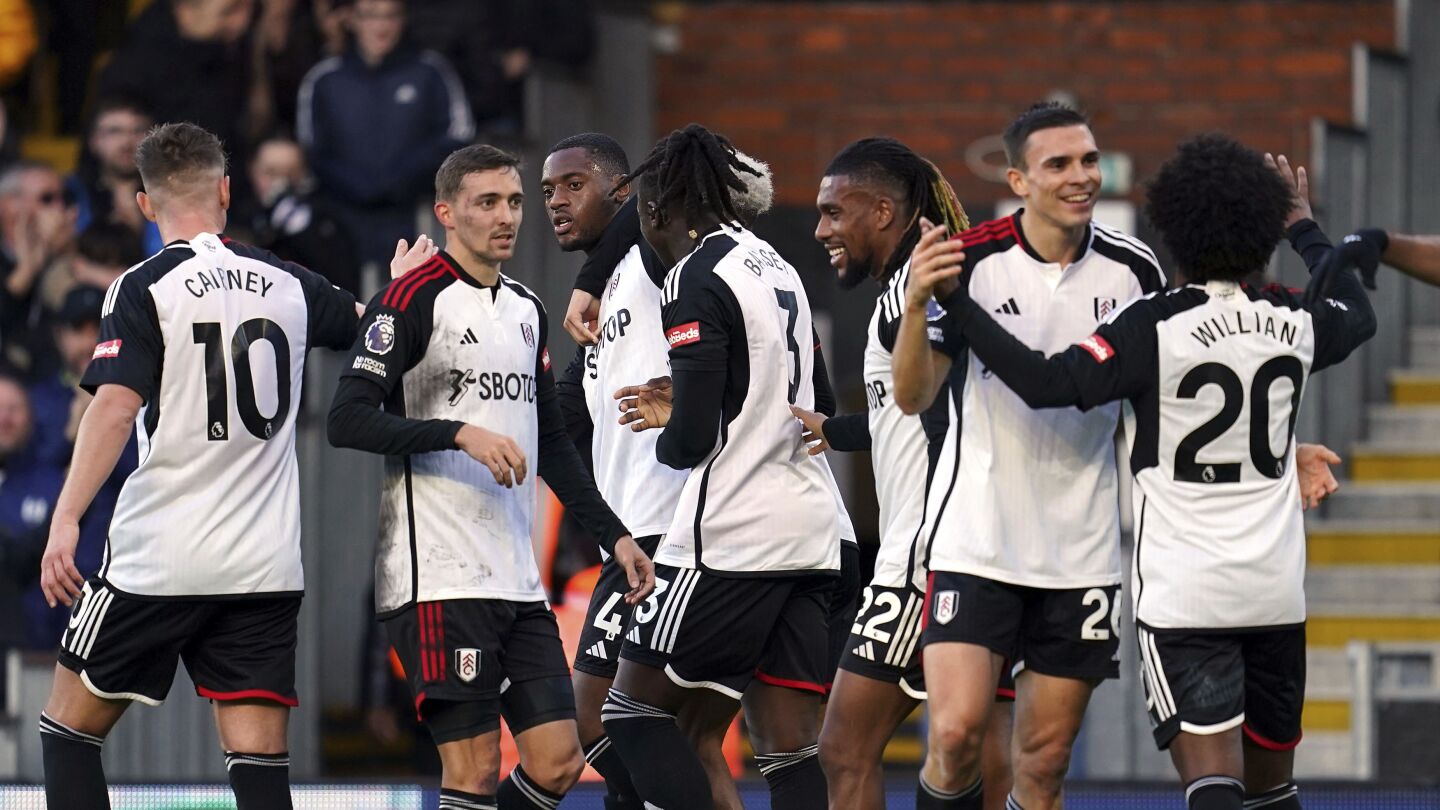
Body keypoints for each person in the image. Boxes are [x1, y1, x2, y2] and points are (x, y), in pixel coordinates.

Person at [907, 133, 1376, 810]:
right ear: (1262, 226)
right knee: (1273, 795)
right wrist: (1304, 225)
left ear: (1174, 229)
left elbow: (1045, 382)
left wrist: (960, 304)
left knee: (1213, 787)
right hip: (1276, 593)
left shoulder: (1151, 326)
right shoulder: (1291, 319)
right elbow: (1355, 313)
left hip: (1187, 598)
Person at [34, 122, 361, 810]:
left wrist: (66, 519)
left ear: (146, 206)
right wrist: (407, 288)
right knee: (259, 763)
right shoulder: (288, 281)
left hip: (162, 554)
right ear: (226, 190)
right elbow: (374, 328)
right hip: (264, 564)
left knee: (67, 730)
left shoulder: (144, 285)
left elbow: (115, 407)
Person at [327, 143, 655, 810]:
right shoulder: (410, 299)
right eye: (486, 203)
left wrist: (614, 536)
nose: (506, 216)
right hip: (437, 578)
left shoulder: (528, 308)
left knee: (560, 762)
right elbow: (345, 420)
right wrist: (458, 433)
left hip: (515, 580)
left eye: (513, 202)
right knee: (472, 770)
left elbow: (554, 444)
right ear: (447, 212)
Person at [890, 102, 1167, 810]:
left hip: (1082, 548)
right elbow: (915, 397)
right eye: (1059, 165)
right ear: (1018, 179)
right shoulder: (971, 259)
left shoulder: (1135, 270)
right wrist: (919, 305)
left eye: (1089, 161)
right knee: (953, 736)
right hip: (977, 540)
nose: (1081, 178)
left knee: (1042, 767)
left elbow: (1171, 389)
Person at [598, 123, 835, 810]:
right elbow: (792, 385)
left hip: (736, 530)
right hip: (812, 528)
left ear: (656, 210)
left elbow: (695, 438)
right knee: (788, 746)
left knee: (632, 714)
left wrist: (668, 434)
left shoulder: (692, 274)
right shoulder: (776, 263)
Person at [786, 137, 1015, 810]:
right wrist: (834, 429)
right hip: (971, 554)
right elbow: (906, 413)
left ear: (882, 212)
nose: (822, 228)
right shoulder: (911, 287)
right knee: (977, 748)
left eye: (834, 213)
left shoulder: (918, 291)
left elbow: (938, 404)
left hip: (926, 558)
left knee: (847, 748)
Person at [540, 132, 681, 810]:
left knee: (600, 718)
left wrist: (588, 280)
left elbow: (665, 179)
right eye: (547, 192)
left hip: (666, 532)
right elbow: (556, 419)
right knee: (629, 728)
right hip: (626, 541)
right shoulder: (598, 318)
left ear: (620, 193)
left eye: (574, 184)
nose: (556, 202)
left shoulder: (650, 255)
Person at [297, 0, 474, 276]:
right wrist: (355, 185)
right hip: (341, 218)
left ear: (403, 19)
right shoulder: (325, 79)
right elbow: (313, 150)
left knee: (409, 303)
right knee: (344, 305)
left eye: (390, 15)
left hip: (414, 213)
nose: (381, 26)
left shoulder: (430, 72)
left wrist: (400, 179)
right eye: (370, 16)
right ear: (351, 19)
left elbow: (456, 137)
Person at [95, 0, 256, 163]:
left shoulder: (236, 54)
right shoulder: (135, 68)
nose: (242, 22)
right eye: (228, 12)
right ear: (185, 12)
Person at [234, 134, 361, 294]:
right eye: (271, 172)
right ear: (253, 170)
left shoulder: (325, 224)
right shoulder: (234, 217)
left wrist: (302, 235)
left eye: (291, 173)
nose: (280, 182)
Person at [0, 161, 77, 378]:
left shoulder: (78, 251)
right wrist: (27, 270)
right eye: (47, 199)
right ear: (9, 206)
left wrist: (66, 256)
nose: (60, 208)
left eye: (64, 198)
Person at [65, 96, 162, 256]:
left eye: (138, 131)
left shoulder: (172, 193)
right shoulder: (69, 192)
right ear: (94, 141)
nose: (127, 142)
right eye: (115, 131)